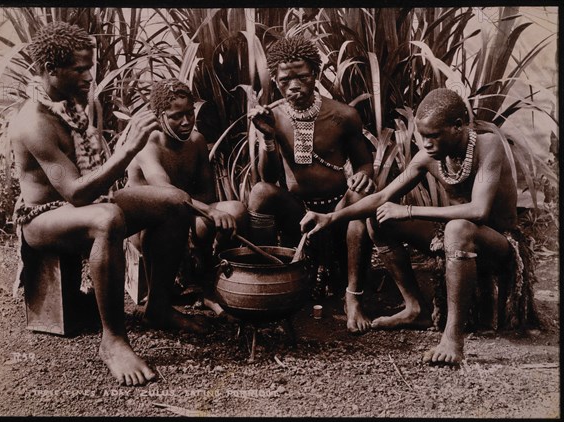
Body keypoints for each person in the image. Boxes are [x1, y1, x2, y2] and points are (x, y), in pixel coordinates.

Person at [10, 22, 204, 387]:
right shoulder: (33, 123)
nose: (89, 76)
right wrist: (128, 149)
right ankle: (113, 340)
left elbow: (91, 182)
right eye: (80, 69)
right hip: (43, 218)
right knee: (107, 217)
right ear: (51, 70)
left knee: (175, 201)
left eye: (90, 67)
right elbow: (76, 194)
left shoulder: (75, 105)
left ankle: (158, 306)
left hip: (84, 204)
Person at [300, 88, 520, 365]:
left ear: (458, 126)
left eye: (433, 135)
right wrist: (330, 218)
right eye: (422, 136)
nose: (426, 144)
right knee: (381, 218)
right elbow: (380, 197)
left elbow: (479, 210)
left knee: (457, 228)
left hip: (499, 243)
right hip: (454, 233)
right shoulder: (430, 156)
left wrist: (409, 210)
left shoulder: (489, 145)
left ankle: (452, 339)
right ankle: (415, 308)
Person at [246, 36, 376, 333]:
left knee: (359, 195)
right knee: (260, 193)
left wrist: (365, 174)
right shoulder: (272, 117)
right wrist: (267, 138)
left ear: (315, 75)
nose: (294, 86)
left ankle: (353, 296)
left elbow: (364, 163)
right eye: (285, 80)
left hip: (339, 209)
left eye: (302, 77)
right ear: (276, 81)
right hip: (299, 211)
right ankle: (267, 278)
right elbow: (268, 179)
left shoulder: (343, 115)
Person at [126, 78, 247, 315]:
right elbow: (167, 194)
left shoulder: (196, 141)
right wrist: (209, 211)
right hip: (152, 226)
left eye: (190, 113)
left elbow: (207, 193)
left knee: (236, 211)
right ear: (159, 116)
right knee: (193, 217)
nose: (186, 122)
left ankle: (215, 283)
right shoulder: (148, 145)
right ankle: (166, 294)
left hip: (188, 212)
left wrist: (211, 217)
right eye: (176, 116)